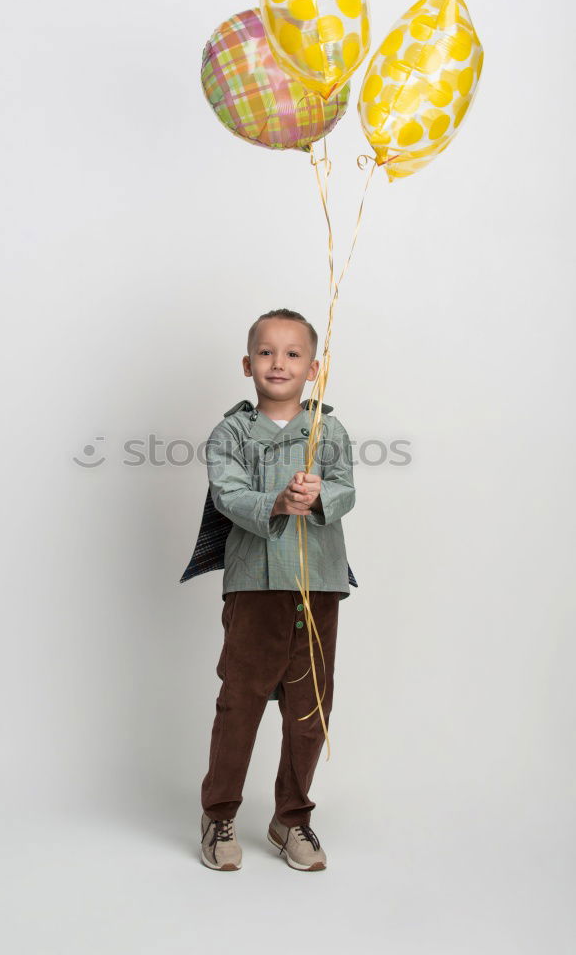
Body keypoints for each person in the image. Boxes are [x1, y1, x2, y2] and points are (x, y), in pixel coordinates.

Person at [194, 308, 357, 871]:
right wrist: (276, 503)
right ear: (247, 364)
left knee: (310, 708)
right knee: (240, 701)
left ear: (314, 368)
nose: (278, 362)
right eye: (266, 352)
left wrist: (318, 496)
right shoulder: (232, 432)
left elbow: (346, 488)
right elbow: (228, 495)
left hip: (318, 584)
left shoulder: (326, 429)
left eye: (292, 354)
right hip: (256, 586)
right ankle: (218, 814)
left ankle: (292, 818)